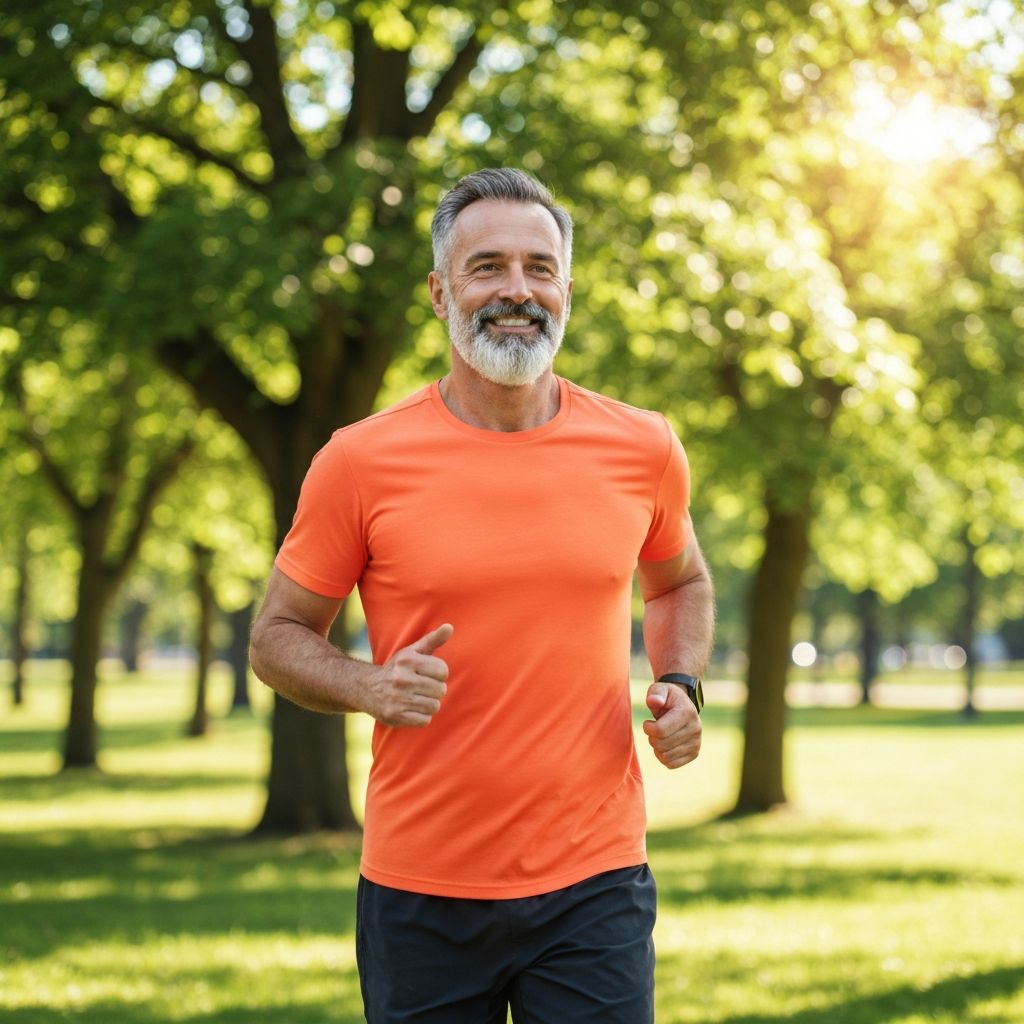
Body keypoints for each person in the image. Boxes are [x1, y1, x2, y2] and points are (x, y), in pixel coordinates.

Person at [249, 167, 715, 1023]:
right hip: (421, 890)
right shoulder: (359, 461)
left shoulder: (643, 446)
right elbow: (275, 635)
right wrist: (367, 685)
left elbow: (679, 579)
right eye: (488, 266)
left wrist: (680, 683)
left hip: (595, 882)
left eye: (539, 268)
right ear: (439, 291)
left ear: (567, 291)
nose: (517, 291)